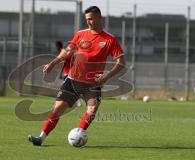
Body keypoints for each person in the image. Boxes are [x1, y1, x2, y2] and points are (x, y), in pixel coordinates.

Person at [28, 6, 125, 146]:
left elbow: (121, 63)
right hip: (73, 81)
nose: (89, 22)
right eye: (87, 19)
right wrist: (53, 63)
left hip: (93, 84)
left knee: (91, 110)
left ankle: (79, 134)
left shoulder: (110, 40)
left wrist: (106, 77)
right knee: (57, 110)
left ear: (99, 18)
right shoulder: (81, 34)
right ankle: (41, 138)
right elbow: (67, 52)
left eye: (91, 18)